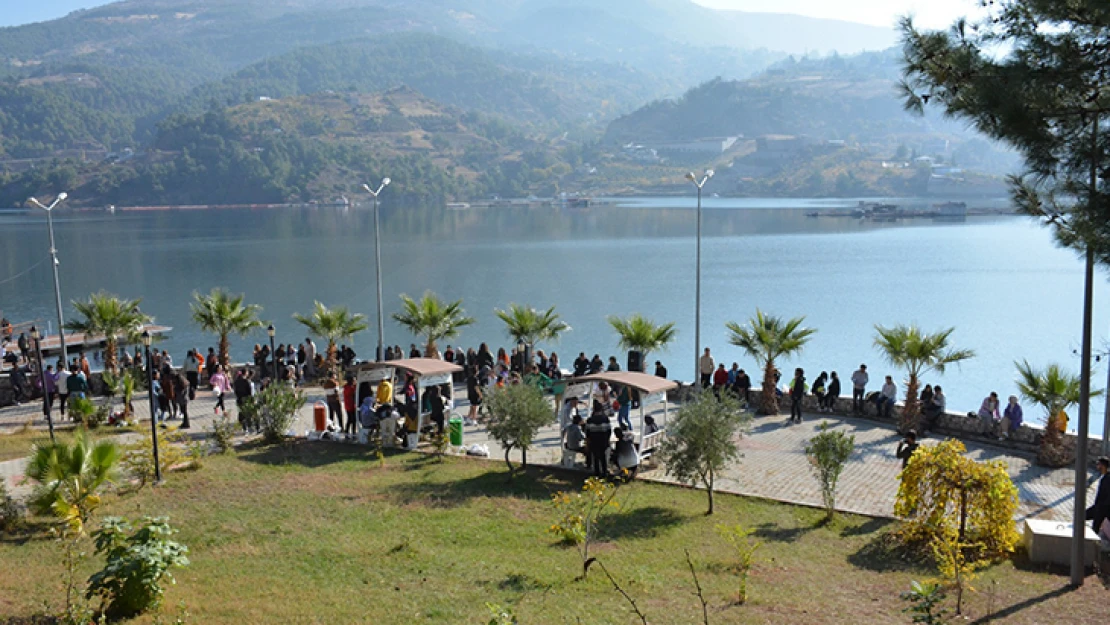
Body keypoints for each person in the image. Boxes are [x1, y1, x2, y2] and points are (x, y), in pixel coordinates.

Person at [585, 403, 613, 478]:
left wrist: (588, 442)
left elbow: (587, 433)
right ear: (601, 409)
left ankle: (597, 473)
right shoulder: (605, 419)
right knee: (603, 457)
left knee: (595, 457)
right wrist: (607, 439)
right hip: (603, 441)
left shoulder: (589, 420)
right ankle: (604, 472)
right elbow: (609, 431)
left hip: (594, 441)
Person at [1086, 457, 1110, 534]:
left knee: (1095, 526)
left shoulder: (1107, 478)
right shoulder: (1104, 476)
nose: (1097, 466)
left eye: (1098, 464)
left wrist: (1102, 507)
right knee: (1082, 516)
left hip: (1103, 507)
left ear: (1102, 466)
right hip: (1100, 507)